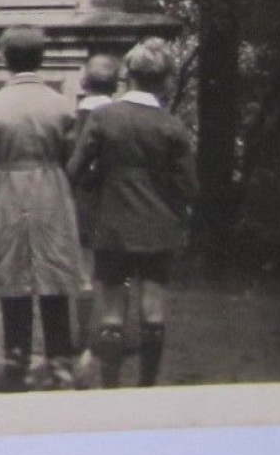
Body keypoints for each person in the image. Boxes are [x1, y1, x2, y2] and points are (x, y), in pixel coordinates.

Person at [68, 38, 197, 388]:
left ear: (129, 74)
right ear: (165, 78)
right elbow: (188, 186)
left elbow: (76, 171)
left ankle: (111, 386)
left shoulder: (102, 118)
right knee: (153, 304)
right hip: (158, 228)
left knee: (112, 304)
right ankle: (147, 384)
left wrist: (102, 181)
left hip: (112, 226)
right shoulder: (172, 126)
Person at [0, 26, 85, 391]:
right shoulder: (61, 103)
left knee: (13, 276)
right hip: (51, 189)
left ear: (4, 58)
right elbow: (74, 156)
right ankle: (60, 365)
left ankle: (16, 365)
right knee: (53, 274)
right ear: (42, 57)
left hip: (7, 189)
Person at [70, 53, 121, 365]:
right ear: (115, 86)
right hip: (115, 202)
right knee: (116, 272)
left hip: (83, 202)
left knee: (85, 271)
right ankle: (113, 331)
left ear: (84, 83)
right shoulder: (121, 116)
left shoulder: (74, 119)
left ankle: (82, 334)